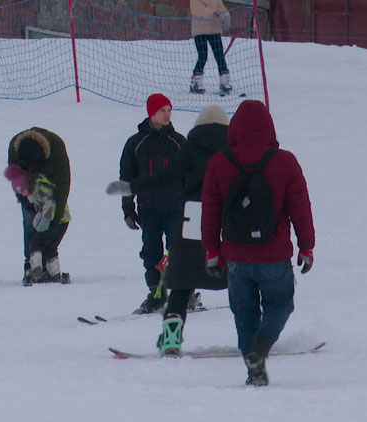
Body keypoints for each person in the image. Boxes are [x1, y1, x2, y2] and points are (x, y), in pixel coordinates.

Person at [200, 100, 315, 386]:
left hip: (236, 256)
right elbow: (300, 207)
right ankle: (260, 349)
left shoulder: (219, 162)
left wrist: (211, 250)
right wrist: (307, 246)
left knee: (244, 311)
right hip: (273, 254)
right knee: (280, 304)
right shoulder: (284, 161)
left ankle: (254, 368)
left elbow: (210, 209)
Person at [107, 104, 230, 356]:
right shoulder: (233, 150)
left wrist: (132, 187)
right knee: (239, 276)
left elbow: (165, 178)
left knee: (183, 275)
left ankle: (171, 334)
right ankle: (254, 333)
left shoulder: (189, 148)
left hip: (192, 214)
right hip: (226, 214)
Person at [118, 93, 187, 314]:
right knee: (151, 251)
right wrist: (128, 209)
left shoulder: (178, 141)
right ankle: (156, 293)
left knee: (177, 251)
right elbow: (126, 178)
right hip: (148, 209)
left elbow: (193, 176)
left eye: (169, 110)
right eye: (162, 110)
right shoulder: (135, 144)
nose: (167, 114)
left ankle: (183, 293)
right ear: (151, 114)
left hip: (176, 207)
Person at [8, 128, 71, 283]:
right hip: (29, 191)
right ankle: (31, 266)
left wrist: (56, 217)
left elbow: (63, 184)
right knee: (31, 225)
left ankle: (48, 267)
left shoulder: (56, 148)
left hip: (49, 194)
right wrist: (22, 197)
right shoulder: (15, 148)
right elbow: (14, 174)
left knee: (49, 231)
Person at [190, 0, 232, 94]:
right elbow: (197, 9)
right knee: (203, 55)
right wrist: (213, 13)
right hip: (200, 30)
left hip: (214, 30)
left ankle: (224, 81)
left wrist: (226, 17)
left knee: (219, 55)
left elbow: (221, 7)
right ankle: (196, 81)